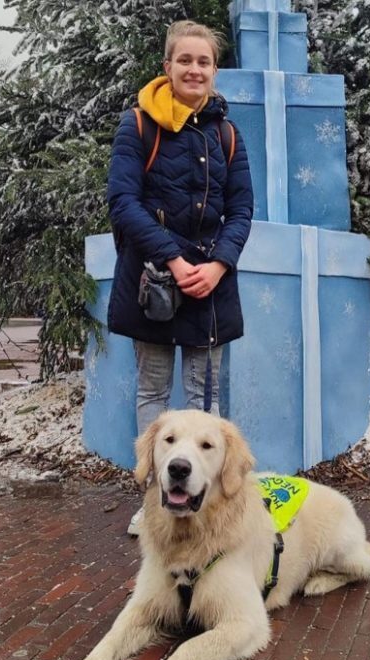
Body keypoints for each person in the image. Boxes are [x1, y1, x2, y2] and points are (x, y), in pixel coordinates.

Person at [106, 20, 254, 534]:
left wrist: (217, 265)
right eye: (184, 60)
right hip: (154, 283)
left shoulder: (228, 135)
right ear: (167, 66)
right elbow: (123, 203)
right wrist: (173, 258)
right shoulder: (138, 125)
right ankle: (154, 503)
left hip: (211, 286)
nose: (194, 69)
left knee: (203, 401)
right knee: (152, 393)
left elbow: (241, 210)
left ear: (214, 71)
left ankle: (204, 505)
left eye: (204, 62)